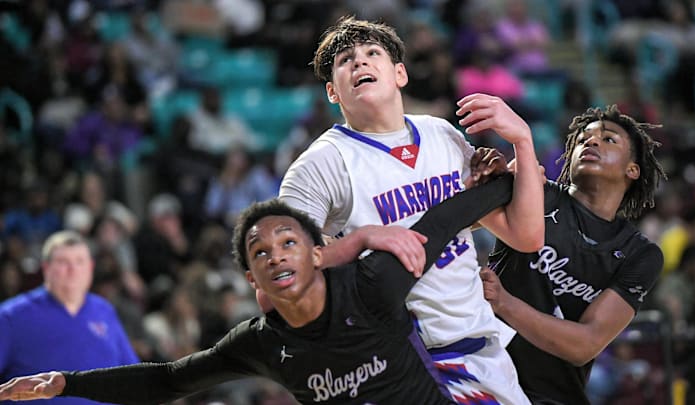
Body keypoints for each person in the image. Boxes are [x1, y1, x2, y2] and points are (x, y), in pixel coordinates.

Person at [0, 172, 517, 404]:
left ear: (318, 253)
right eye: (260, 252)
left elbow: (444, 219)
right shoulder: (263, 344)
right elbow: (168, 381)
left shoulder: (372, 285)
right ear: (252, 279)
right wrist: (68, 383)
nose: (275, 255)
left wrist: (510, 180)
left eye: (288, 241)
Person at [277, 16, 544, 404]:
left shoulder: (442, 135)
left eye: (372, 53)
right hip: (405, 361)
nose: (360, 63)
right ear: (333, 92)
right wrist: (360, 241)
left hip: (482, 351)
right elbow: (283, 272)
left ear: (399, 73)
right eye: (346, 60)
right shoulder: (322, 164)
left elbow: (526, 235)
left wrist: (522, 139)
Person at [480, 105, 667, 404]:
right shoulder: (536, 192)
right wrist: (485, 183)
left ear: (632, 169)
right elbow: (464, 220)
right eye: (583, 139)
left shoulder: (640, 254)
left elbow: (584, 345)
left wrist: (504, 303)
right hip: (481, 375)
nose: (591, 142)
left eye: (608, 140)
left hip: (552, 396)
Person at [0, 230, 139, 405]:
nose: (73, 270)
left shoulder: (104, 311)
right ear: (46, 268)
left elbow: (132, 377)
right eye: (63, 262)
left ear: (90, 267)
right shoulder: (11, 316)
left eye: (80, 262)